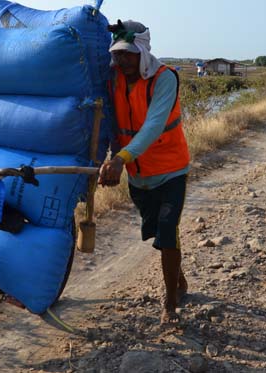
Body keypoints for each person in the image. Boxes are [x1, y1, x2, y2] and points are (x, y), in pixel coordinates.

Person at [99, 19, 190, 325]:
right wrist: (108, 158)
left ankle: (170, 302)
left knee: (167, 230)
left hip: (171, 170)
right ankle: (179, 277)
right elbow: (109, 120)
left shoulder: (165, 78)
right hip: (139, 176)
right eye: (117, 54)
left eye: (127, 53)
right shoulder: (113, 78)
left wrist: (120, 159)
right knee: (158, 234)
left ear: (143, 51)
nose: (121, 60)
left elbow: (153, 126)